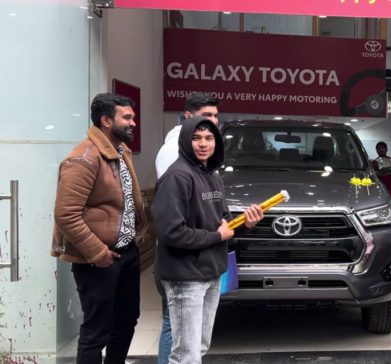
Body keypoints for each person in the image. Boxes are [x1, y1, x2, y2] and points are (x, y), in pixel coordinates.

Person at [152, 116, 263, 364]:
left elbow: (224, 224)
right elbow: (171, 232)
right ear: (185, 140)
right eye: (196, 137)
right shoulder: (177, 177)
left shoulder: (212, 176)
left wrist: (246, 224)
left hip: (211, 272)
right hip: (185, 276)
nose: (203, 144)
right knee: (185, 354)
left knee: (199, 347)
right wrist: (216, 236)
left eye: (209, 138)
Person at [52, 93, 147, 363]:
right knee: (97, 330)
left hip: (126, 253)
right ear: (106, 121)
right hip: (98, 260)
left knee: (126, 321)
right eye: (126, 118)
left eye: (133, 117)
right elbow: (66, 214)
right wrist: (97, 252)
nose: (133, 123)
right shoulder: (84, 158)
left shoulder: (120, 151)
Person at [154, 92, 220, 364]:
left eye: (215, 118)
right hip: (184, 265)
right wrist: (217, 234)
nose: (204, 142)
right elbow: (174, 223)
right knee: (183, 349)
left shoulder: (207, 170)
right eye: (206, 117)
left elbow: (212, 213)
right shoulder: (177, 161)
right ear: (188, 117)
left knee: (194, 346)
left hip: (204, 262)